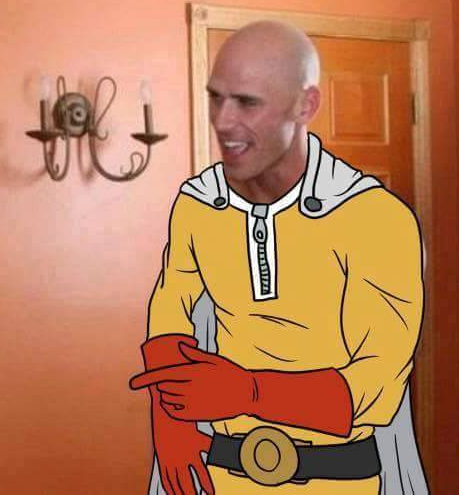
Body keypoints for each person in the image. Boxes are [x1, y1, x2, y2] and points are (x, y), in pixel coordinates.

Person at [130, 20, 428, 494]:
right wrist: (171, 430)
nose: (223, 121)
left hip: (339, 481)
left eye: (247, 102)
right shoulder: (198, 205)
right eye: (216, 98)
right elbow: (170, 316)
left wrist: (248, 392)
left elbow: (377, 385)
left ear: (305, 105)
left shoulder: (375, 218)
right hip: (218, 476)